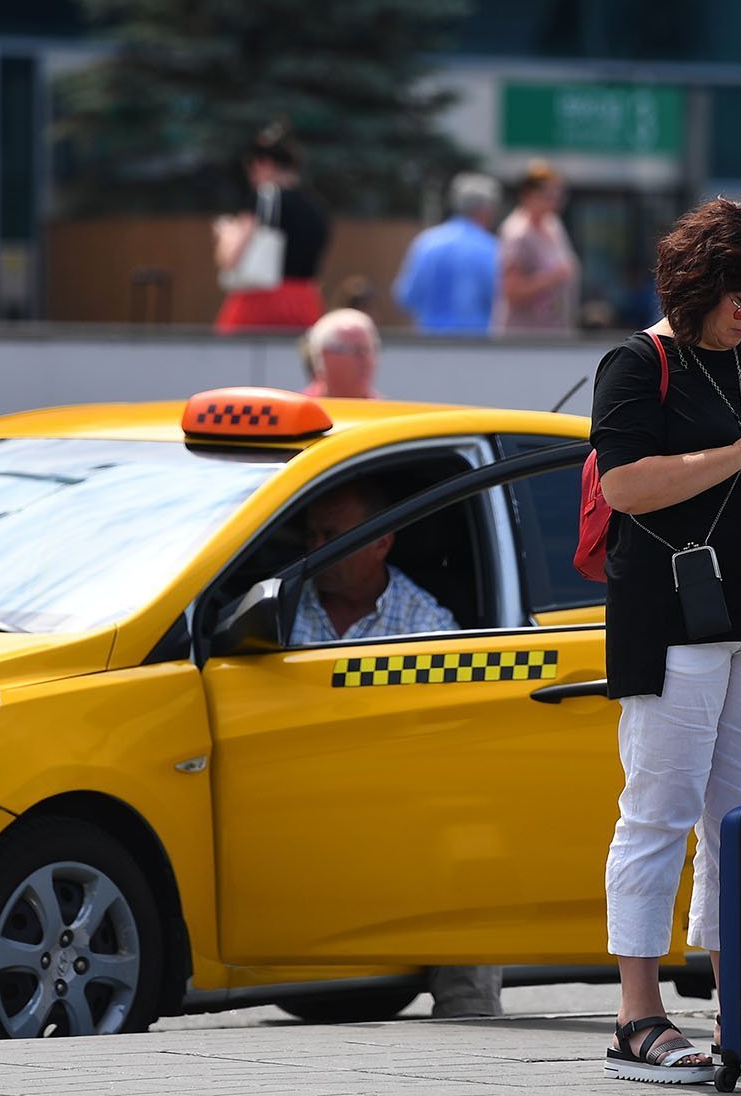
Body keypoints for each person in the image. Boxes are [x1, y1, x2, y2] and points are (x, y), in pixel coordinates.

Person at [590, 198, 741, 1083]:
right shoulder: (637, 364)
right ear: (700, 286)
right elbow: (623, 486)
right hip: (673, 617)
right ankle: (638, 1013)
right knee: (658, 808)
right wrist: (739, 452)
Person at [290, 480, 500, 1018]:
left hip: (396, 799)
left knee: (470, 848)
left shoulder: (425, 623)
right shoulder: (282, 609)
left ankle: (468, 1007)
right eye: (311, 533)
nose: (314, 548)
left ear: (381, 541)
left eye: (331, 535)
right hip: (293, 792)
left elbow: (451, 738)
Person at [213, 124, 331, 334]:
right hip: (306, 302)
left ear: (264, 164)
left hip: (259, 301)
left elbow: (231, 259)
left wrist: (226, 234)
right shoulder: (316, 207)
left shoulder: (262, 199)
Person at [393, 172, 502, 335]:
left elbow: (405, 297)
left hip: (428, 344)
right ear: (486, 210)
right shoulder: (490, 248)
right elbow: (501, 299)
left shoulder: (426, 243)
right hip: (476, 348)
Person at [493, 160, 580, 334]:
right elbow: (511, 291)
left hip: (554, 332)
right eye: (549, 194)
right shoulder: (518, 233)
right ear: (528, 194)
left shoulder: (552, 224)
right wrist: (552, 277)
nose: (556, 200)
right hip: (525, 339)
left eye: (559, 193)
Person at [301, 307, 381, 399]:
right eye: (355, 350)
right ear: (325, 356)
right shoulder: (299, 411)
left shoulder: (387, 412)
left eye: (368, 350)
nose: (365, 360)